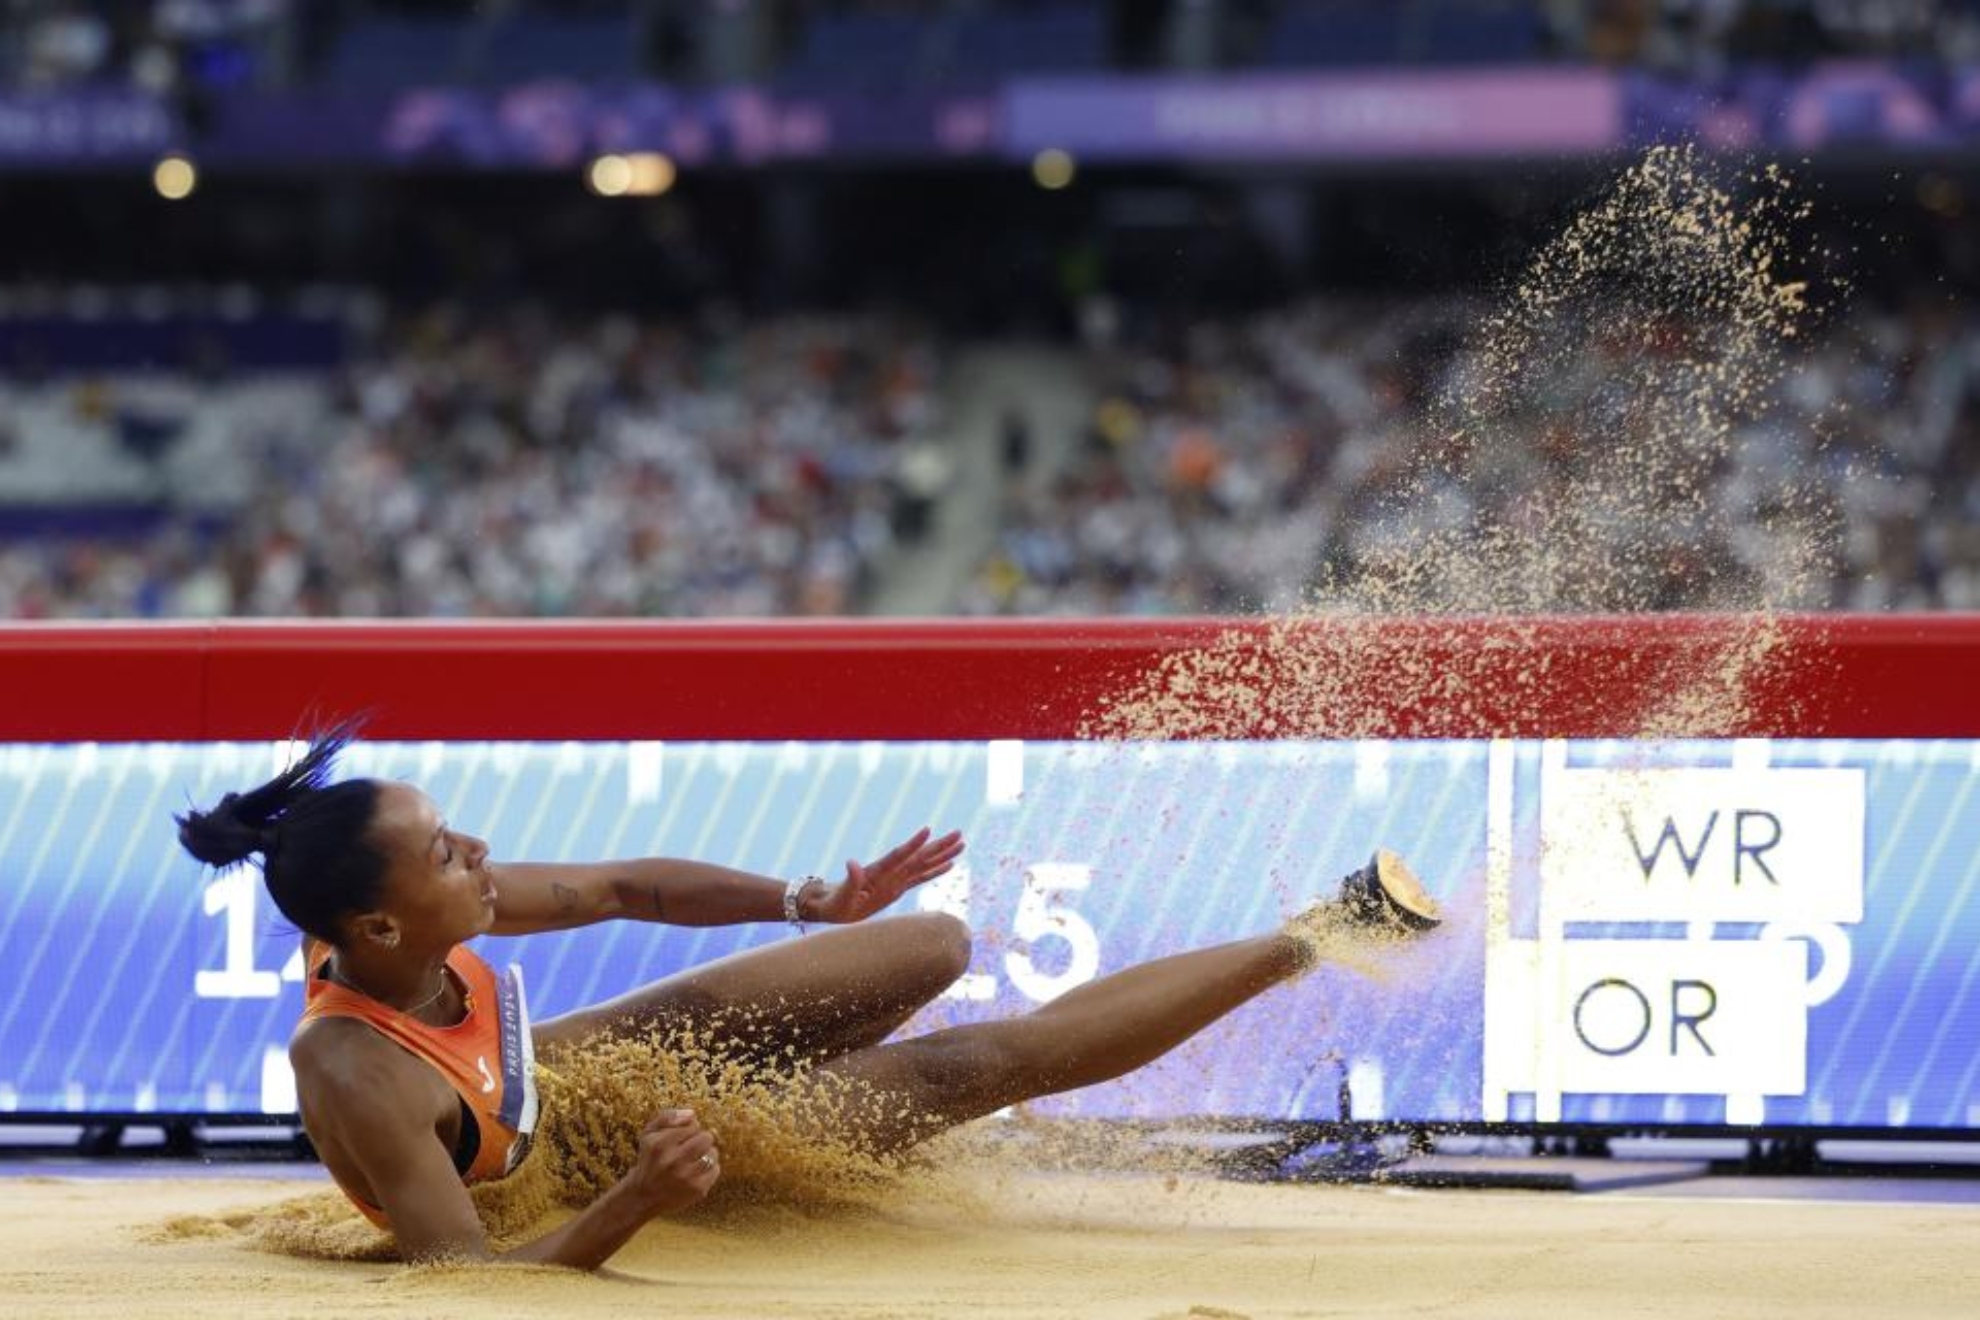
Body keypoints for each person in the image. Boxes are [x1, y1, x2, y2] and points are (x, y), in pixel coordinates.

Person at [175, 723, 1440, 1269]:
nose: (482, 855)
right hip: (604, 1166)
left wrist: (806, 902)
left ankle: (836, 1054)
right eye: (449, 851)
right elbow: (466, 1280)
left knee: (928, 946)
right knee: (975, 1064)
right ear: (382, 923)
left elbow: (628, 884)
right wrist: (641, 1197)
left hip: (587, 1073)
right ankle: (1323, 934)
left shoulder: (426, 915)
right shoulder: (352, 1070)